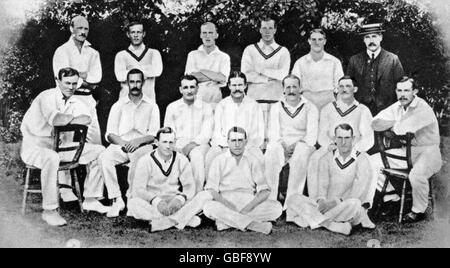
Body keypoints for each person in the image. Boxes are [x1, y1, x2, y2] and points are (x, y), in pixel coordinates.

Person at [20, 68, 109, 226]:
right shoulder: (46, 97)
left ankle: (91, 198)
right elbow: (57, 120)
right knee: (51, 158)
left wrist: (68, 118)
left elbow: (86, 119)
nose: (71, 87)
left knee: (99, 151)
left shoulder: (74, 100)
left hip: (60, 146)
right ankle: (49, 211)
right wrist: (73, 118)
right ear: (58, 81)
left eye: (74, 83)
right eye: (67, 83)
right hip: (34, 146)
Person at [370, 77, 442, 223]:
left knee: (416, 175)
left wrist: (392, 126)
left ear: (414, 91)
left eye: (406, 90)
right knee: (372, 161)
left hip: (428, 152)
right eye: (399, 90)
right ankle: (391, 197)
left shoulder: (423, 107)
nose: (402, 94)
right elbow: (375, 123)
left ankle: (418, 210)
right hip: (406, 150)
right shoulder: (397, 106)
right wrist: (394, 124)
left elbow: (402, 129)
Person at [286, 124, 375, 235]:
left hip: (346, 206)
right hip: (328, 207)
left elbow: (357, 193)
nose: (343, 142)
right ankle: (331, 225)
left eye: (347, 138)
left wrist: (335, 202)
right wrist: (322, 201)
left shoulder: (362, 160)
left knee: (356, 204)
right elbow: (322, 187)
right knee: (293, 199)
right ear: (334, 139)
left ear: (353, 139)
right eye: (339, 138)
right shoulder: (326, 158)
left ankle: (309, 219)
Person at [98, 69, 160, 218]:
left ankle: (132, 200)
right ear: (127, 83)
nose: (135, 85)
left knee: (138, 160)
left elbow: (154, 134)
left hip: (142, 145)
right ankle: (117, 199)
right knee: (104, 158)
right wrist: (124, 144)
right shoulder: (118, 105)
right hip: (122, 144)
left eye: (138, 81)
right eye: (132, 82)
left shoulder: (152, 105)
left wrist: (137, 142)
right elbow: (110, 133)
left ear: (143, 83)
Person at [127, 127, 213, 232]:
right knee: (133, 204)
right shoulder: (145, 160)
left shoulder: (181, 159)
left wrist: (180, 199)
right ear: (156, 142)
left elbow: (189, 186)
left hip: (175, 203)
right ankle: (180, 219)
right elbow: (138, 189)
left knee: (206, 195)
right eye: (164, 142)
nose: (168, 146)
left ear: (175, 142)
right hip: (155, 204)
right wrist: (156, 201)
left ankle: (166, 222)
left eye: (171, 142)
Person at [203, 127, 282, 234]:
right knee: (208, 207)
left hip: (248, 201)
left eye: (240, 140)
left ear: (246, 142)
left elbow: (264, 190)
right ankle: (254, 225)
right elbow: (212, 190)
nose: (237, 144)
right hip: (226, 201)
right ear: (228, 142)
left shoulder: (252, 159)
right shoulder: (219, 160)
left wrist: (247, 208)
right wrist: (228, 206)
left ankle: (227, 222)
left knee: (277, 208)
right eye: (233, 141)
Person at [307, 76, 374, 200]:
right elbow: (322, 134)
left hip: (354, 148)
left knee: (369, 164)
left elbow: (369, 138)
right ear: (337, 89)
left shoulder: (363, 110)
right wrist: (329, 146)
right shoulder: (328, 108)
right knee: (314, 159)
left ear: (355, 89)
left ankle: (361, 206)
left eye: (348, 86)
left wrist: (354, 149)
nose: (344, 89)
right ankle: (316, 202)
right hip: (332, 147)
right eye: (341, 86)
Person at [264, 75, 318, 212]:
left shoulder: (310, 107)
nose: (291, 90)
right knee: (271, 151)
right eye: (288, 87)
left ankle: (292, 204)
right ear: (283, 90)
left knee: (301, 151)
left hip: (302, 144)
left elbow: (311, 135)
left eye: (294, 86)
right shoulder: (276, 107)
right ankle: (270, 202)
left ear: (300, 88)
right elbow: (273, 132)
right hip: (282, 145)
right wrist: (283, 147)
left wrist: (296, 146)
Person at [52, 15, 102, 145]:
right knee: (67, 140)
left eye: (86, 28)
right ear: (71, 29)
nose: (83, 32)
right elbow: (64, 78)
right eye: (79, 28)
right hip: (70, 99)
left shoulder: (93, 52)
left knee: (95, 139)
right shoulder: (62, 51)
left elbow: (97, 77)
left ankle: (93, 166)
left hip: (88, 99)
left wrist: (77, 75)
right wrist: (85, 78)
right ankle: (65, 165)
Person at [205, 71, 265, 175]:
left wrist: (243, 147)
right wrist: (228, 147)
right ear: (229, 86)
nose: (237, 88)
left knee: (258, 156)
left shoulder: (254, 105)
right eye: (234, 85)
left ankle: (260, 189)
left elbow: (258, 134)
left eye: (240, 85)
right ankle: (211, 188)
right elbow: (217, 133)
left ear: (245, 85)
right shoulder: (222, 105)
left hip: (248, 146)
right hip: (225, 145)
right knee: (212, 154)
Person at [164, 75, 213, 193]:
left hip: (200, 144)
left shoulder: (206, 107)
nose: (189, 90)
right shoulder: (172, 107)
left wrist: (190, 146)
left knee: (197, 156)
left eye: (192, 87)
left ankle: (196, 195)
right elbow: (168, 131)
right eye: (186, 87)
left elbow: (206, 134)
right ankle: (171, 194)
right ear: (180, 89)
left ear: (197, 88)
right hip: (178, 143)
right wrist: (175, 148)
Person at [347, 23, 405, 115]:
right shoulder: (354, 60)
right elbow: (348, 87)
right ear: (363, 40)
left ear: (380, 37)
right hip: (360, 112)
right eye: (367, 37)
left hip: (387, 111)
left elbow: (402, 87)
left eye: (374, 36)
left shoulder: (393, 59)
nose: (371, 41)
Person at [291, 29, 344, 111]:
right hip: (307, 103)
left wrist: (339, 108)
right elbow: (293, 86)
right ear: (309, 41)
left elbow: (341, 87)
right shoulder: (300, 63)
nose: (317, 42)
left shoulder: (334, 62)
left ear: (325, 41)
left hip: (328, 103)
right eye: (313, 39)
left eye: (320, 39)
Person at [241, 16, 291, 101]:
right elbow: (246, 75)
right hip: (254, 100)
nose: (267, 31)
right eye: (264, 28)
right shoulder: (250, 49)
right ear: (260, 30)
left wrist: (261, 71)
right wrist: (267, 78)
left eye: (270, 28)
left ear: (275, 30)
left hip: (276, 100)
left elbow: (283, 75)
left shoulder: (283, 51)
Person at [185, 22, 231, 108]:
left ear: (216, 35)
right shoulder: (193, 55)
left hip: (215, 99)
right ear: (200, 35)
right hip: (195, 98)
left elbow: (223, 78)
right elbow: (190, 78)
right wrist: (215, 76)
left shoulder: (224, 57)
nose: (207, 36)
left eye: (210, 33)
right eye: (204, 33)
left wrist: (202, 71)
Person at [114, 21, 163, 100]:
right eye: (133, 32)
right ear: (128, 34)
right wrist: (147, 69)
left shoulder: (153, 53)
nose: (136, 35)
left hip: (148, 101)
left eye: (139, 32)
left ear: (143, 34)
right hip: (126, 101)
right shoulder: (121, 55)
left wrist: (131, 70)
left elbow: (157, 71)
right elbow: (120, 76)